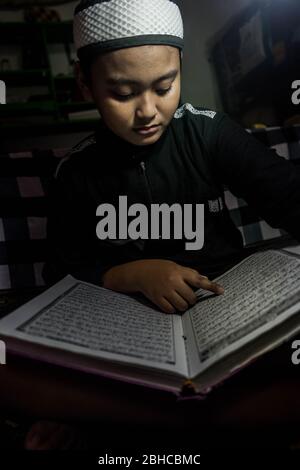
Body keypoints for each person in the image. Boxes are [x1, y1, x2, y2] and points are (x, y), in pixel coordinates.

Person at [26, 0, 300, 449]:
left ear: (179, 69)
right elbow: (59, 274)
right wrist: (129, 274)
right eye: (123, 92)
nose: (148, 111)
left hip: (227, 312)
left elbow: (289, 197)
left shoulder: (208, 132)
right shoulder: (76, 173)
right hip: (131, 337)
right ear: (84, 84)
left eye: (164, 85)